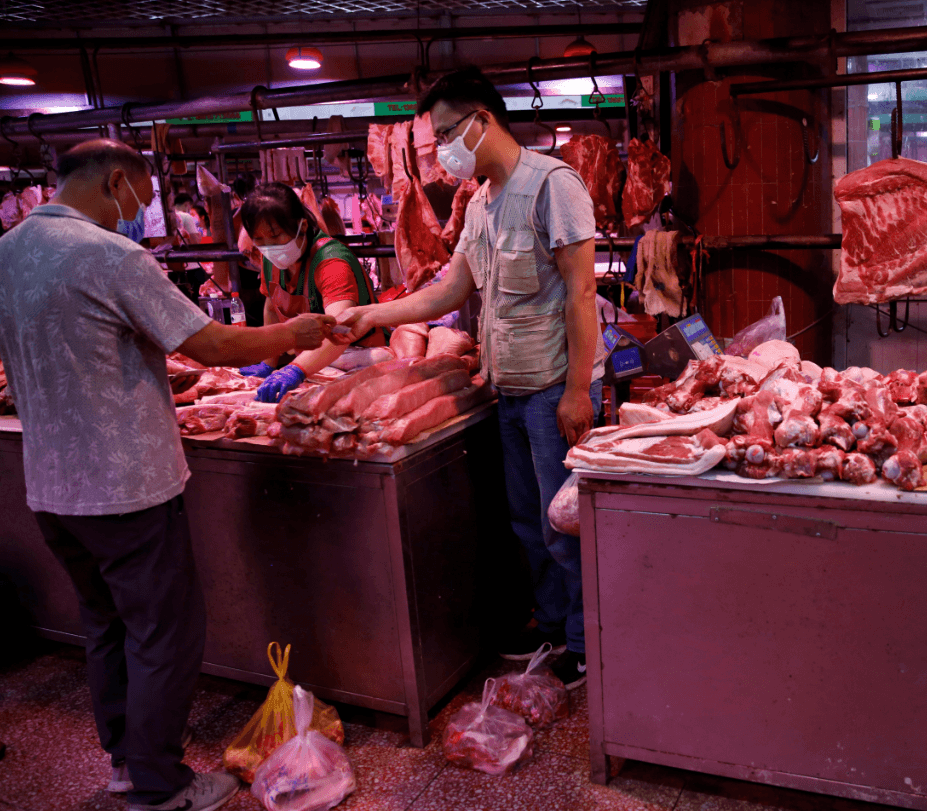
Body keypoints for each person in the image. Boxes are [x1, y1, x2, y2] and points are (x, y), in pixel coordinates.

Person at [0, 139, 336, 811]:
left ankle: (126, 763)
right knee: (162, 631)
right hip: (125, 485)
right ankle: (160, 784)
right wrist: (295, 335)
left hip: (53, 485)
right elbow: (206, 342)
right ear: (117, 181)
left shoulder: (9, 250)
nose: (141, 214)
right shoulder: (110, 255)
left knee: (107, 624)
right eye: (142, 199)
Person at [336, 67, 602, 688]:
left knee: (560, 524)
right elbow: (452, 288)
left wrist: (578, 389)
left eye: (449, 132)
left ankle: (587, 642)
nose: (445, 152)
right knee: (524, 521)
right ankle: (555, 624)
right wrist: (369, 314)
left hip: (548, 390)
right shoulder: (481, 200)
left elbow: (582, 293)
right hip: (504, 389)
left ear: (483, 120)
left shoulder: (551, 185)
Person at [239, 183, 383, 402]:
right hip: (313, 367)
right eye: (259, 240)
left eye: (275, 236)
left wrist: (295, 369)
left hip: (363, 362)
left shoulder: (331, 261)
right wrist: (269, 362)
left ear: (302, 226)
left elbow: (340, 329)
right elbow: (271, 309)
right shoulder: (271, 260)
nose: (269, 247)